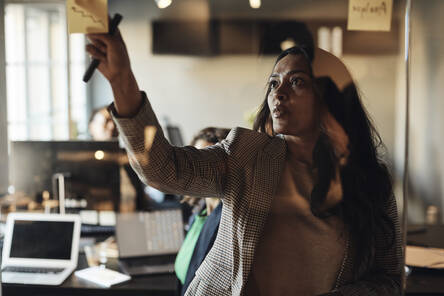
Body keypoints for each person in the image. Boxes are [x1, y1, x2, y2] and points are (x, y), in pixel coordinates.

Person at [86, 29, 402, 295]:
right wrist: (121, 79)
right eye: (274, 83)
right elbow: (162, 169)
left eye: (297, 82)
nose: (278, 95)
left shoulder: (369, 181)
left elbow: (388, 280)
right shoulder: (247, 156)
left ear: (329, 96)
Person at [175, 127, 230, 296]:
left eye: (207, 161)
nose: (199, 168)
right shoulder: (199, 211)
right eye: (195, 160)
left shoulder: (227, 219)